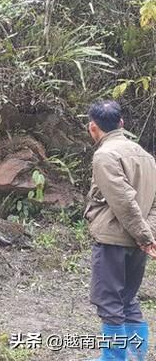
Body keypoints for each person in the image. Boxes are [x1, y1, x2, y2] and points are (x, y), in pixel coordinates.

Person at [84, 100, 156, 361]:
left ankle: (113, 359)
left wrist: (144, 236)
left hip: (114, 240)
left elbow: (123, 200)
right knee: (128, 299)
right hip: (138, 242)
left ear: (93, 127)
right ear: (121, 123)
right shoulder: (145, 155)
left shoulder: (105, 155)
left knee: (110, 303)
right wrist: (147, 236)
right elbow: (153, 202)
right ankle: (137, 357)